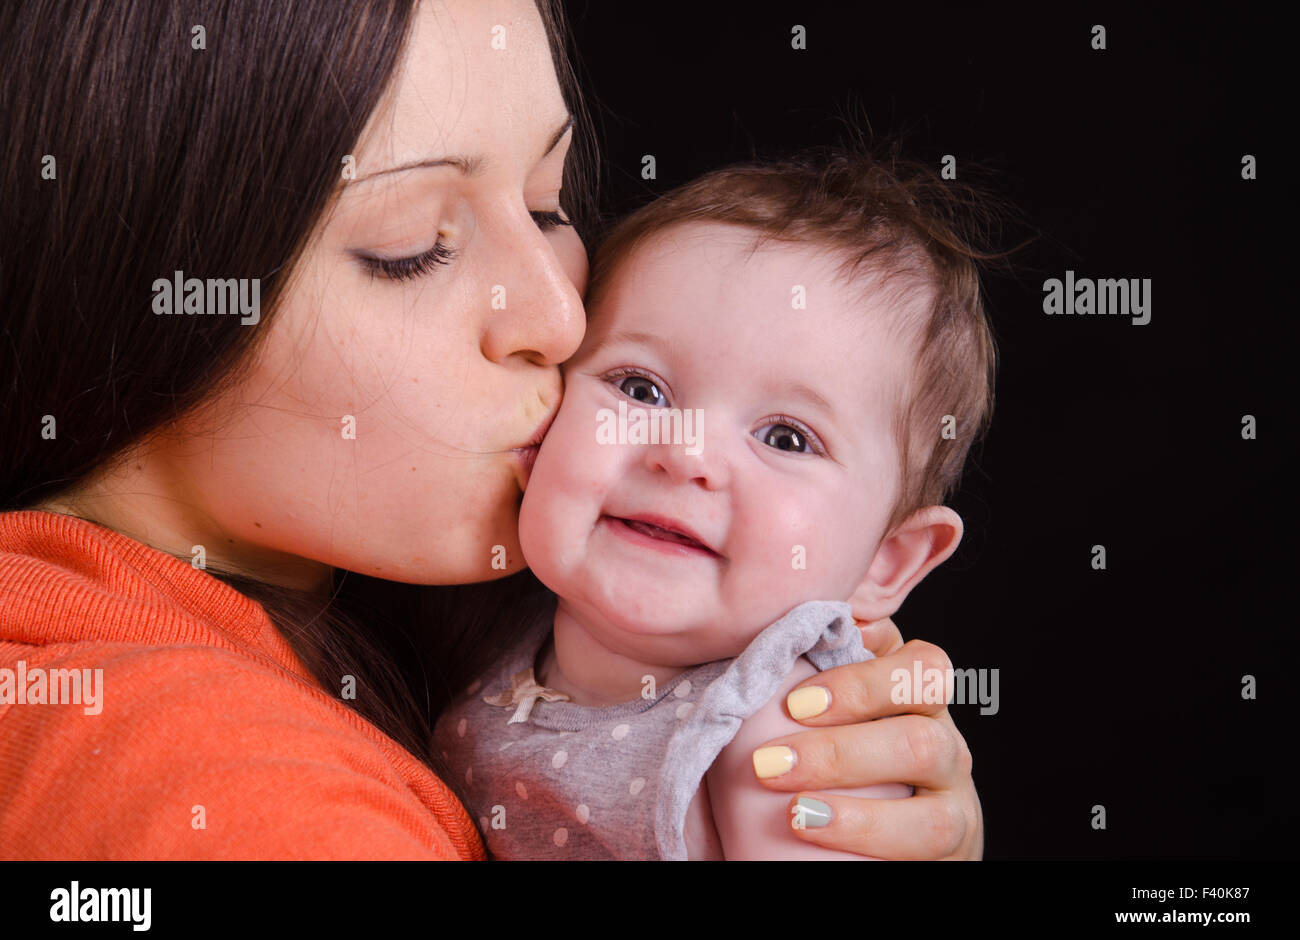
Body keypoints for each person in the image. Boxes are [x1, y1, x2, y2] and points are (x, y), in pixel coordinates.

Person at [0, 0, 982, 860]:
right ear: (150, 290)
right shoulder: (234, 791)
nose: (559, 318)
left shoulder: (409, 637)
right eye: (410, 249)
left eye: (546, 206)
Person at [434, 148, 994, 859]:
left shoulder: (776, 726)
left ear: (887, 559)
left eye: (786, 437)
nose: (686, 452)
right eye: (641, 389)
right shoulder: (501, 641)